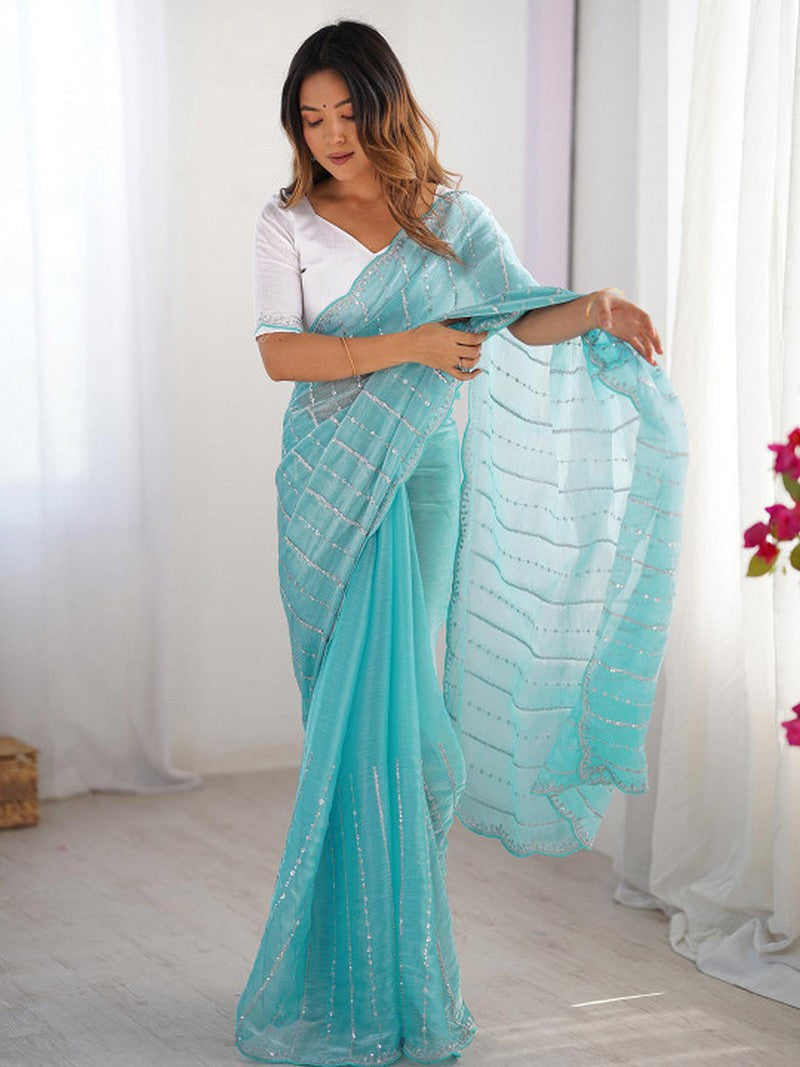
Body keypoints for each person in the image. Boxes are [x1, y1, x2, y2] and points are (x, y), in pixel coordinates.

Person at [235, 19, 688, 1066]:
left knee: (411, 731)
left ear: (383, 106)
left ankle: (398, 974)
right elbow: (280, 356)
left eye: (346, 112)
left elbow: (515, 315)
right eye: (311, 118)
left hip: (426, 478)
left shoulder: (451, 219)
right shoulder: (285, 219)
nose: (331, 134)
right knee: (348, 723)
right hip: (326, 484)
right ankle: (339, 974)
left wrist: (594, 307)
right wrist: (409, 344)